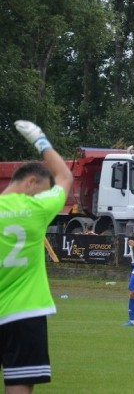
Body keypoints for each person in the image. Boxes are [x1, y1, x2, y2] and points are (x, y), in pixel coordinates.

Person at [1, 120, 73, 393]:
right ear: (32, 182)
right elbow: (65, 176)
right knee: (20, 385)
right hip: (24, 311)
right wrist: (39, 139)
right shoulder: (36, 209)